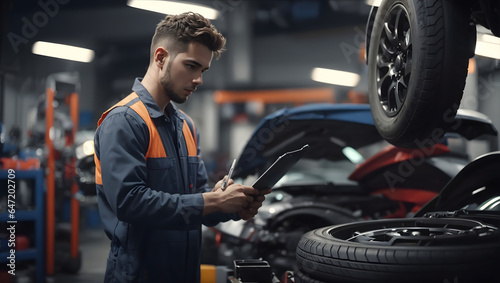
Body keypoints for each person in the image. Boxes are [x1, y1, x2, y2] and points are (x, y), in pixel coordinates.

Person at [94, 12, 270, 282]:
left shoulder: (186, 125)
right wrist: (211, 201)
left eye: (203, 70)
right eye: (191, 66)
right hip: (138, 274)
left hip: (185, 271)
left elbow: (196, 202)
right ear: (161, 57)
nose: (199, 79)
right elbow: (130, 203)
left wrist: (229, 205)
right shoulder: (124, 121)